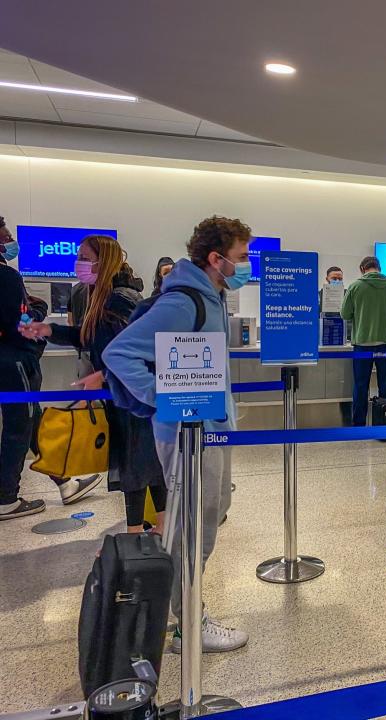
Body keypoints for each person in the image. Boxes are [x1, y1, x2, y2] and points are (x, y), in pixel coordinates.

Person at [104, 216, 251, 653]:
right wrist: (162, 397)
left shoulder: (211, 297)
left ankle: (184, 610)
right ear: (216, 258)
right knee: (194, 529)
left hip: (208, 428)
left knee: (208, 516)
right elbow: (120, 352)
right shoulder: (186, 302)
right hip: (188, 433)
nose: (245, 266)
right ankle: (189, 622)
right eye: (241, 257)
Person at [21, 235, 165, 535]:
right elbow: (87, 336)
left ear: (104, 260)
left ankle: (139, 533)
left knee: (137, 465)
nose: (80, 263)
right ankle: (154, 530)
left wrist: (104, 375)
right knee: (142, 464)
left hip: (133, 394)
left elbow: (140, 348)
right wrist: (48, 330)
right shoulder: (100, 296)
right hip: (124, 394)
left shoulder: (121, 298)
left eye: (86, 258)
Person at [0, 217, 101, 520]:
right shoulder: (7, 277)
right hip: (15, 360)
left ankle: (65, 482)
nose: (10, 242)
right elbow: (20, 323)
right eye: (5, 237)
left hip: (11, 359)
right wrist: (38, 311)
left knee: (33, 422)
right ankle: (5, 497)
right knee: (21, 425)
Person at [340, 256, 386, 426]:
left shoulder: (355, 287)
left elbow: (345, 314)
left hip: (362, 344)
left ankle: (359, 424)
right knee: (385, 386)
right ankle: (385, 423)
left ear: (362, 268)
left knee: (361, 386)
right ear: (379, 267)